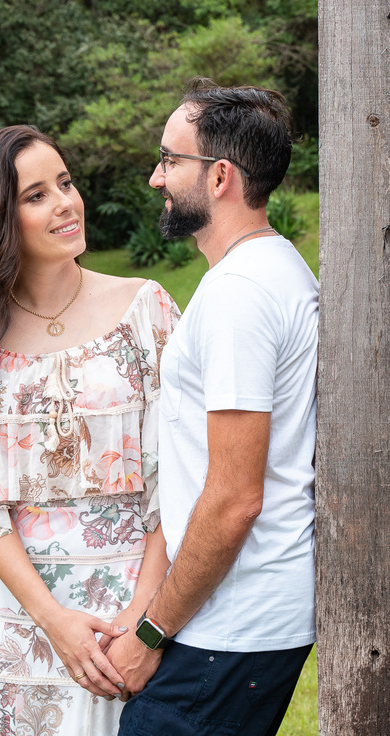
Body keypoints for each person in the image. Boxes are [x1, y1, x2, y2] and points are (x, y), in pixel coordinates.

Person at [0, 125, 180, 735]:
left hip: (129, 616)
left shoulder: (146, 309)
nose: (65, 203)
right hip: (13, 621)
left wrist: (144, 621)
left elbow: (184, 470)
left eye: (65, 183)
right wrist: (52, 620)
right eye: (36, 195)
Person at [107, 80, 318, 736]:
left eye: (170, 160)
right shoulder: (271, 269)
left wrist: (149, 633)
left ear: (220, 176)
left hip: (230, 624)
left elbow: (234, 499)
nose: (155, 178)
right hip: (235, 618)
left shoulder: (239, 295)